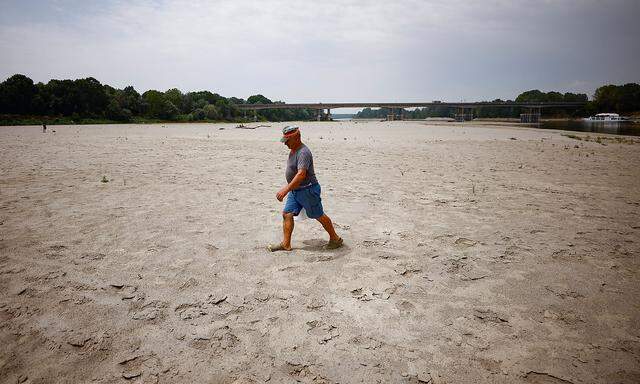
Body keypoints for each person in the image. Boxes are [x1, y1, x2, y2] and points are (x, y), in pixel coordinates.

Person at [268, 125, 343, 251]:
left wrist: (285, 190)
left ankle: (335, 239)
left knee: (318, 215)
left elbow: (301, 174)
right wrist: (290, 189)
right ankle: (286, 244)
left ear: (296, 137)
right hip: (295, 190)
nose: (285, 144)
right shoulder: (293, 150)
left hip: (308, 190)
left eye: (287, 141)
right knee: (287, 214)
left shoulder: (303, 152)